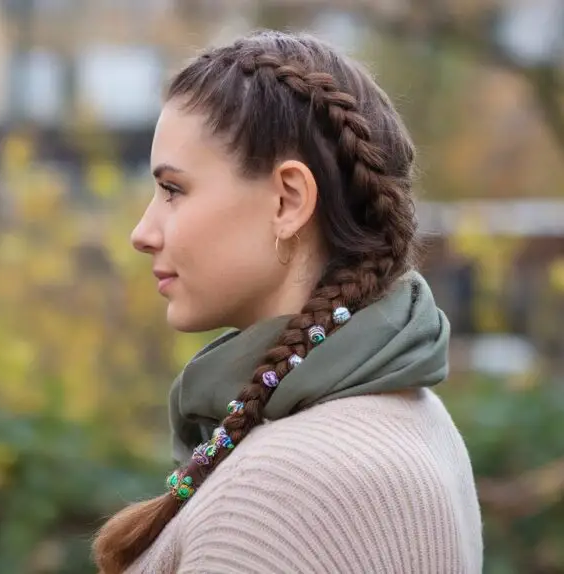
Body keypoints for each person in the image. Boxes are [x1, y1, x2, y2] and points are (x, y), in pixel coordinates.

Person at [93, 29, 483, 574]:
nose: (143, 231)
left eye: (174, 190)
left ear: (288, 200)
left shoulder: (276, 488)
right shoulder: (417, 416)